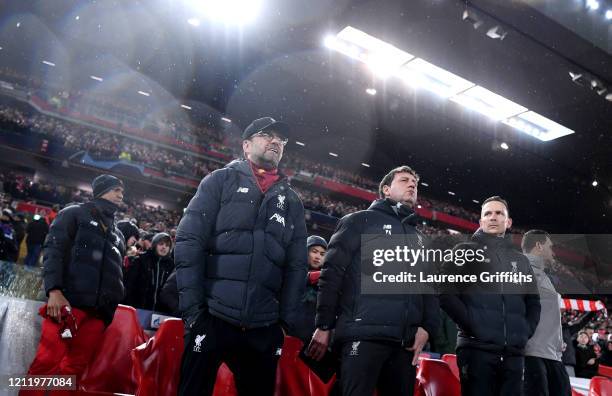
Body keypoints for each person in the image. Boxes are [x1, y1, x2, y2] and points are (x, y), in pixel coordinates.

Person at [175, 117, 307, 396]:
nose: (275, 142)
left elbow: (297, 266)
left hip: (264, 326)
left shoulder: (292, 200)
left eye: (280, 139)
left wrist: (282, 324)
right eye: (266, 135)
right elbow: (189, 242)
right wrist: (194, 313)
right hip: (212, 315)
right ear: (246, 145)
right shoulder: (219, 180)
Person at [308, 165, 439, 396]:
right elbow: (332, 273)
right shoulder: (359, 221)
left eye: (415, 184)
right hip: (362, 336)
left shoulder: (420, 238)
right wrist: (324, 324)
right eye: (405, 180)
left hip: (404, 344)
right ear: (386, 190)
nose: (412, 185)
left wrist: (427, 327)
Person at [20, 174, 126, 396]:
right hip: (69, 303)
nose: (121, 194)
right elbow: (53, 251)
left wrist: (108, 310)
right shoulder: (74, 213)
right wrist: (55, 290)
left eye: (121, 191)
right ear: (102, 190)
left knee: (73, 371)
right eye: (116, 189)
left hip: (98, 314)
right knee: (47, 362)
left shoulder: (118, 234)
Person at [440, 196, 541, 396]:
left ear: (508, 221)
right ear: (481, 222)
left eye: (499, 213)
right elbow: (443, 289)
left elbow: (533, 301)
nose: (493, 217)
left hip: (514, 354)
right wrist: (472, 323)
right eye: (487, 213)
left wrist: (524, 330)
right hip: (476, 351)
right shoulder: (464, 251)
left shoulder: (521, 261)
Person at [521, 230, 571, 396]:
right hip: (532, 354)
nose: (553, 252)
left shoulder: (545, 277)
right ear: (539, 246)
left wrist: (558, 341)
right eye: (550, 247)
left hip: (551, 355)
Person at [123, 232, 175, 313]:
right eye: (161, 244)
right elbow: (129, 286)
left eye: (167, 245)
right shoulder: (141, 260)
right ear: (155, 244)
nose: (164, 247)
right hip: (139, 310)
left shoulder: (172, 266)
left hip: (161, 314)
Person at [294, 235, 327, 342]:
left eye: (322, 254)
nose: (318, 257)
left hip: (311, 338)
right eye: (314, 251)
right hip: (289, 331)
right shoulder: (293, 270)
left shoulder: (326, 284)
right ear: (306, 251)